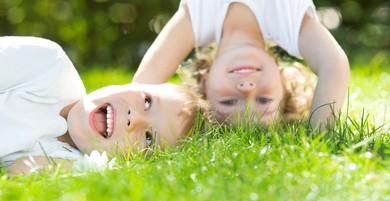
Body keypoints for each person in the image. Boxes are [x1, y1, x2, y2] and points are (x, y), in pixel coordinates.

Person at [0, 36, 209, 175]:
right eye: (147, 101)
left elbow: (21, 170)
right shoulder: (48, 65)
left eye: (148, 138)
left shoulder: (71, 161)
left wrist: (86, 167)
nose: (134, 119)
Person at [133, 0, 350, 129]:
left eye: (228, 102)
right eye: (264, 100)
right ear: (282, 79)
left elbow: (140, 87)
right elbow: (334, 65)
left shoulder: (199, 19)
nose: (247, 90)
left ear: (205, 83)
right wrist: (319, 137)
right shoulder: (285, 21)